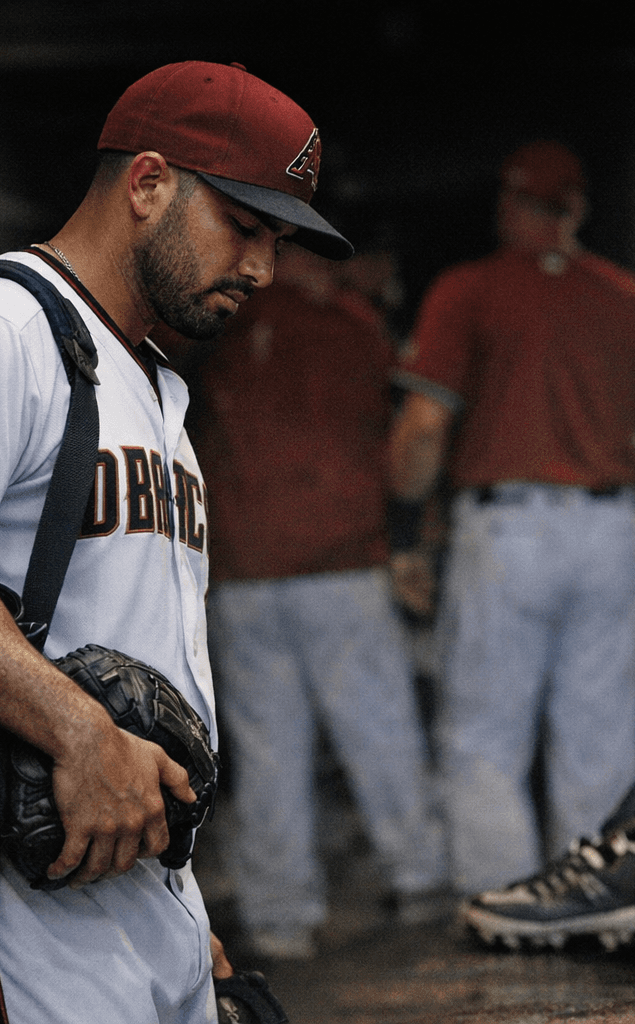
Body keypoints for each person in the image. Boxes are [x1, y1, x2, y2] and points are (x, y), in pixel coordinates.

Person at [0, 61, 351, 1024]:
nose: (264, 268)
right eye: (245, 226)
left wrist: (182, 912)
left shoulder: (146, 378)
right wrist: (77, 729)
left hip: (130, 885)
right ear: (148, 184)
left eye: (276, 238)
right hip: (12, 892)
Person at [387, 139, 635, 896]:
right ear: (577, 209)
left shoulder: (469, 290)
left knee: (487, 730)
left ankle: (501, 900)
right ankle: (589, 897)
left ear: (509, 205)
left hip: (506, 527)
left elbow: (424, 430)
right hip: (608, 526)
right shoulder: (629, 299)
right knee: (599, 732)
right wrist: (620, 507)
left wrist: (405, 527)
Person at [187, 243, 447, 960]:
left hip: (243, 565)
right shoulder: (355, 324)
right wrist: (408, 540)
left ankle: (280, 918)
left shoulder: (222, 318)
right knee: (379, 729)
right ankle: (419, 879)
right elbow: (395, 434)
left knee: (270, 751)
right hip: (342, 559)